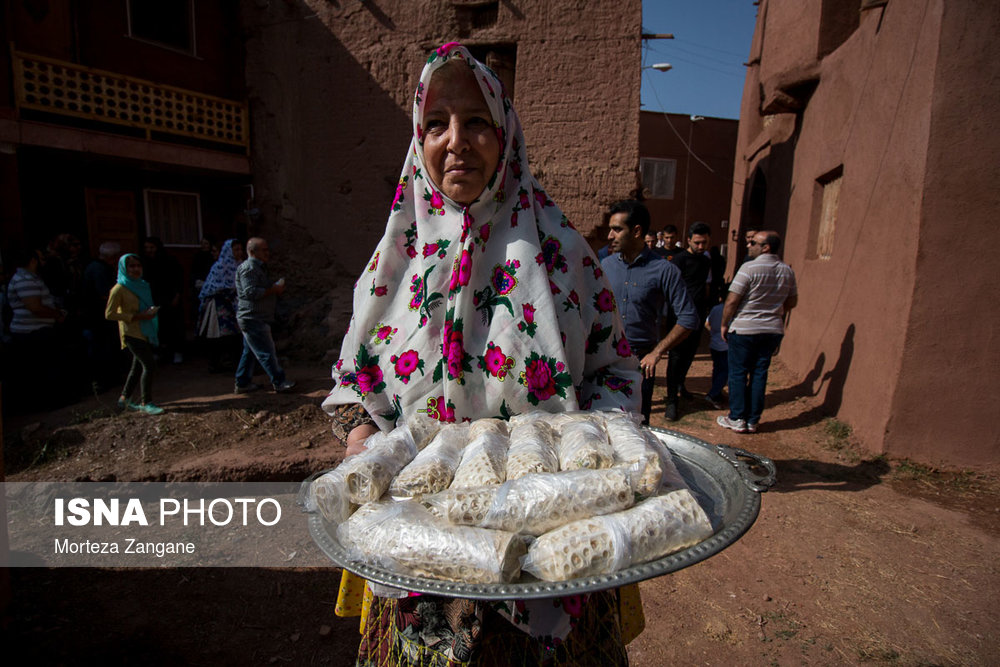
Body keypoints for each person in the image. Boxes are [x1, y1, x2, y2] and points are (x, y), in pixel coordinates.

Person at [322, 43, 642, 666]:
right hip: (419, 542)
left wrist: (600, 450)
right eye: (437, 124)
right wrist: (362, 430)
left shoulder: (564, 254)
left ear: (506, 135)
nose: (456, 141)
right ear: (419, 138)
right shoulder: (394, 260)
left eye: (476, 122)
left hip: (551, 540)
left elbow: (615, 369)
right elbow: (352, 383)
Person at [601, 199, 698, 425]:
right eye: (610, 229)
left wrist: (657, 352)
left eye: (617, 229)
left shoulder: (664, 270)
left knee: (637, 428)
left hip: (640, 361)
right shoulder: (605, 265)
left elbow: (688, 317)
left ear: (636, 231)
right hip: (605, 359)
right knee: (603, 424)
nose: (609, 236)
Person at [718, 230, 797, 433]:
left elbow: (732, 300)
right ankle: (753, 419)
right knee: (759, 373)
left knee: (738, 373)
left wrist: (725, 323)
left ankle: (737, 417)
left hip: (745, 329)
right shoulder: (787, 271)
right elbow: (792, 301)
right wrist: (774, 312)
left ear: (766, 247)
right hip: (771, 329)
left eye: (753, 242)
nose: (748, 245)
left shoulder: (749, 268)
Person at [5, 245, 73, 409]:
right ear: (33, 260)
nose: (44, 262)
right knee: (40, 370)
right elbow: (35, 307)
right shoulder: (25, 280)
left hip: (38, 330)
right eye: (41, 258)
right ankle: (45, 403)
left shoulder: (31, 278)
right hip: (32, 333)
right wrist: (57, 315)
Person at [105, 254, 164, 415]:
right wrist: (136, 317)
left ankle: (124, 399)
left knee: (137, 366)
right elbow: (109, 314)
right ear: (124, 268)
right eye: (131, 266)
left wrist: (148, 314)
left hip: (144, 330)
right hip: (131, 332)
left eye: (138, 266)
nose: (136, 269)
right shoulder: (119, 289)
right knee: (149, 364)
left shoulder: (142, 285)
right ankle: (146, 401)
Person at [665, 221, 713, 420]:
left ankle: (680, 385)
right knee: (676, 356)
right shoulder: (678, 260)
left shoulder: (707, 261)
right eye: (697, 243)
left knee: (689, 355)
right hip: (679, 318)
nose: (701, 247)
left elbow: (708, 286)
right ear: (689, 240)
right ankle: (671, 401)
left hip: (698, 316)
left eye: (705, 243)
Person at [234, 237, 294, 393]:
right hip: (253, 317)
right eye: (264, 250)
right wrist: (273, 289)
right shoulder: (249, 268)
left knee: (250, 352)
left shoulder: (258, 268)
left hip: (256, 317)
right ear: (253, 252)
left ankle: (242, 383)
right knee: (266, 352)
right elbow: (251, 292)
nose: (267, 253)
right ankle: (279, 381)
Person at [82, 241, 124, 392]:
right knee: (101, 348)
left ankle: (107, 378)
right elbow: (105, 294)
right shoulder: (99, 269)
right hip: (99, 317)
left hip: (99, 316)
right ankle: (103, 380)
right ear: (112, 257)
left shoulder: (96, 267)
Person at [197, 239, 245, 373]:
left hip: (234, 303)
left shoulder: (240, 266)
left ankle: (235, 364)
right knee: (219, 337)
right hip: (219, 305)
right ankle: (216, 364)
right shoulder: (220, 266)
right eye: (236, 250)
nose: (239, 252)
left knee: (236, 336)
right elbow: (213, 286)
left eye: (241, 249)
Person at [141, 236, 185, 363]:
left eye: (152, 247)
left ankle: (177, 351)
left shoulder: (170, 261)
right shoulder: (145, 263)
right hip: (153, 299)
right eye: (147, 248)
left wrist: (177, 295)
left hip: (170, 298)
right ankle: (158, 351)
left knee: (173, 325)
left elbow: (178, 279)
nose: (149, 250)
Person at [704, 298, 728, 409]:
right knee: (725, 371)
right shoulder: (733, 309)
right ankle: (713, 394)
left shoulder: (716, 308)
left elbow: (707, 323)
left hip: (714, 344)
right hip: (726, 345)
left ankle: (716, 393)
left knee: (717, 369)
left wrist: (714, 333)